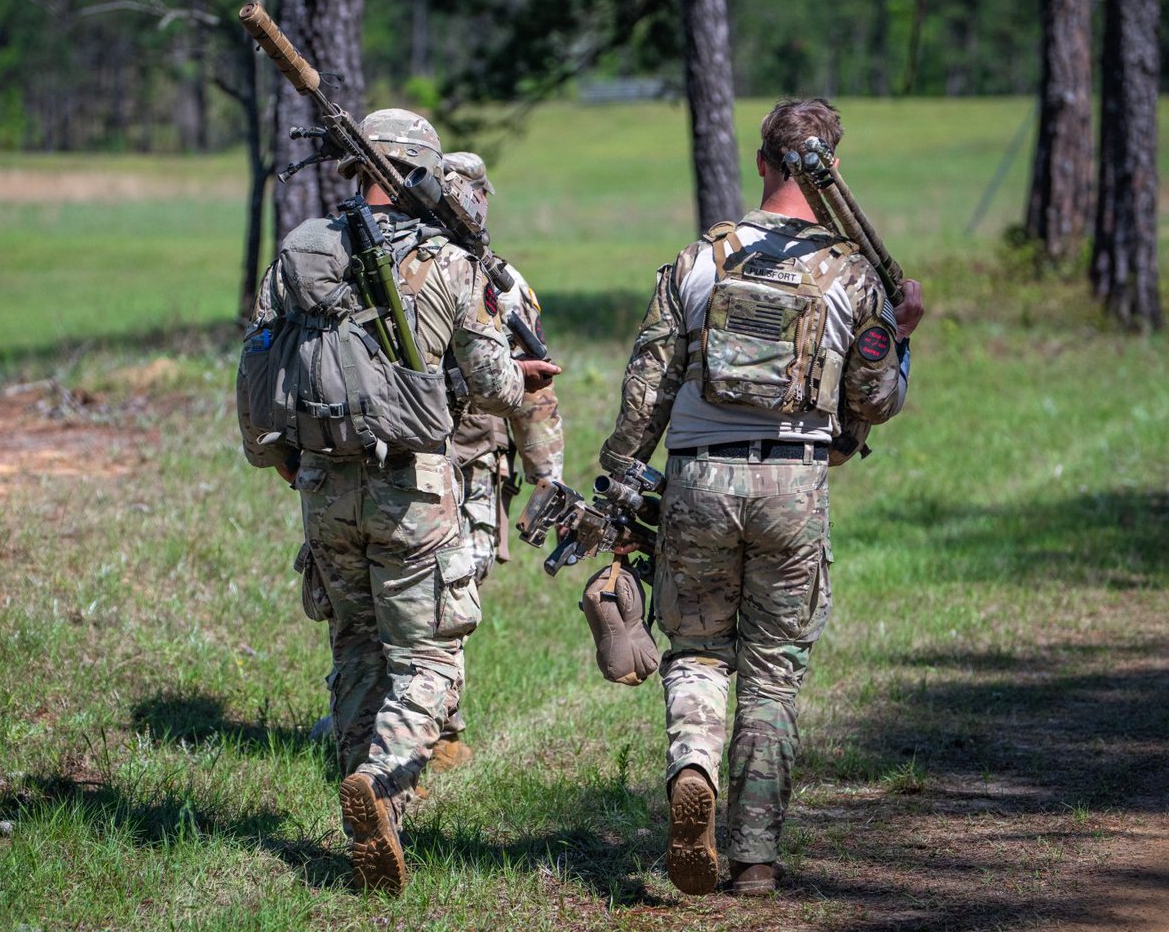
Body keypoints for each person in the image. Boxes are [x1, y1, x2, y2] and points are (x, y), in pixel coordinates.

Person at [598, 98, 924, 897]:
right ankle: (754, 860)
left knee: (700, 650)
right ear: (832, 168)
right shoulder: (853, 272)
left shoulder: (698, 261)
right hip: (794, 483)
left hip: (700, 480)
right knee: (773, 669)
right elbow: (873, 401)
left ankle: (692, 769)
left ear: (761, 163)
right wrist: (902, 328)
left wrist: (616, 486)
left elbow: (647, 386)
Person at [236, 108, 559, 894]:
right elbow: (489, 382)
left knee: (355, 647)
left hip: (320, 483)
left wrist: (285, 463)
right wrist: (530, 382)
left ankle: (368, 820)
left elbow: (258, 361)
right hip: (412, 487)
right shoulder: (447, 261)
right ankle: (381, 785)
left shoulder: (303, 251)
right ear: (418, 173)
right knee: (430, 655)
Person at [431, 151, 565, 770]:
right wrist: (548, 476)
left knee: (432, 592)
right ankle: (437, 730)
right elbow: (533, 392)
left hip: (467, 460)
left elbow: (531, 385)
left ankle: (429, 724)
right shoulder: (481, 280)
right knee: (445, 596)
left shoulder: (494, 284)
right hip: (462, 461)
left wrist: (547, 479)